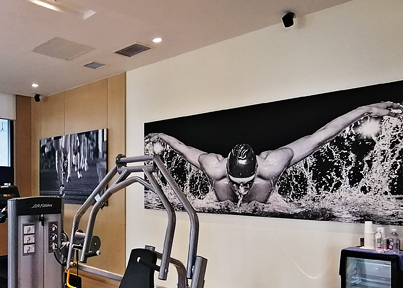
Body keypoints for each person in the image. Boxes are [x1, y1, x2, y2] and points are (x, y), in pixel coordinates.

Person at [147, 101, 402, 205]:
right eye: (236, 184)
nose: (242, 190)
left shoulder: (273, 164)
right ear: (226, 171)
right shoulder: (213, 167)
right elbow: (182, 148)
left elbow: (322, 135)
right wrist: (160, 135)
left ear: (257, 170)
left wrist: (364, 110)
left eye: (247, 183)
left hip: (269, 207)